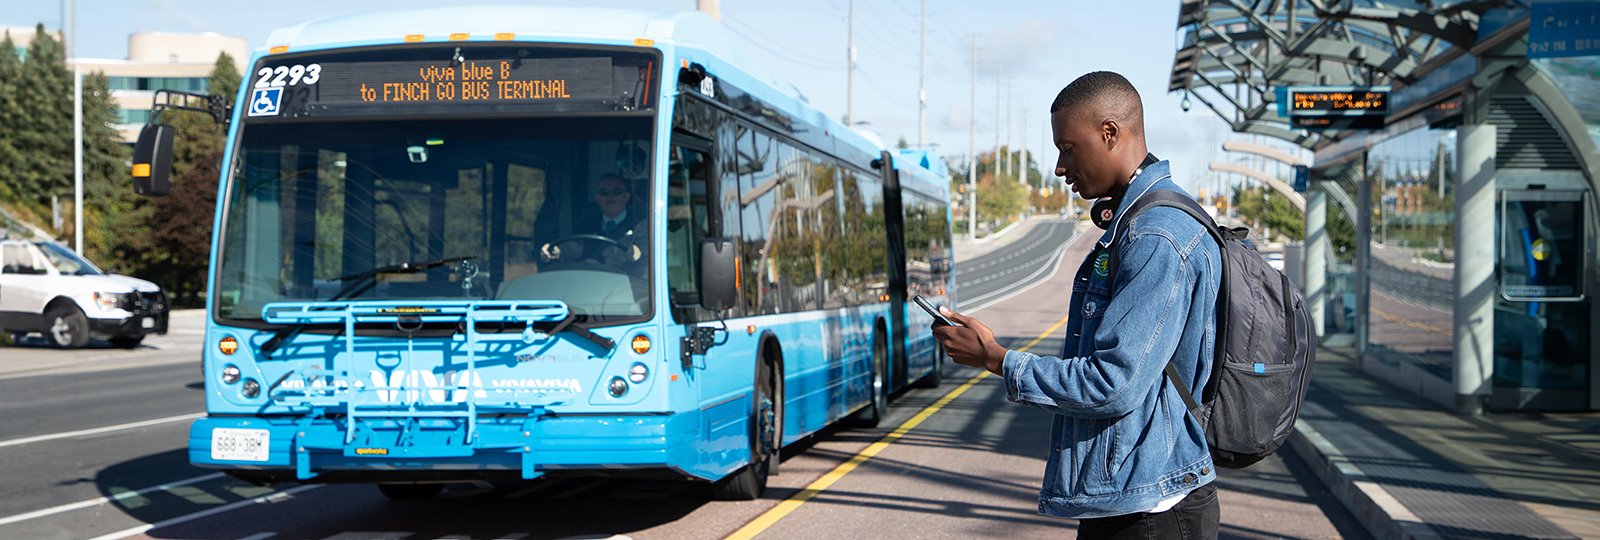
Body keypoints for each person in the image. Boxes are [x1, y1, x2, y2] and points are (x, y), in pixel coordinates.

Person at [932, 71, 1223, 539]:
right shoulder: (1136, 225)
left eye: (1068, 147)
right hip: (1130, 496)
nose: (1059, 167)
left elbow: (1113, 383)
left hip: (1152, 510)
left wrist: (996, 358)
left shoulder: (1157, 236)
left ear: (1110, 133)